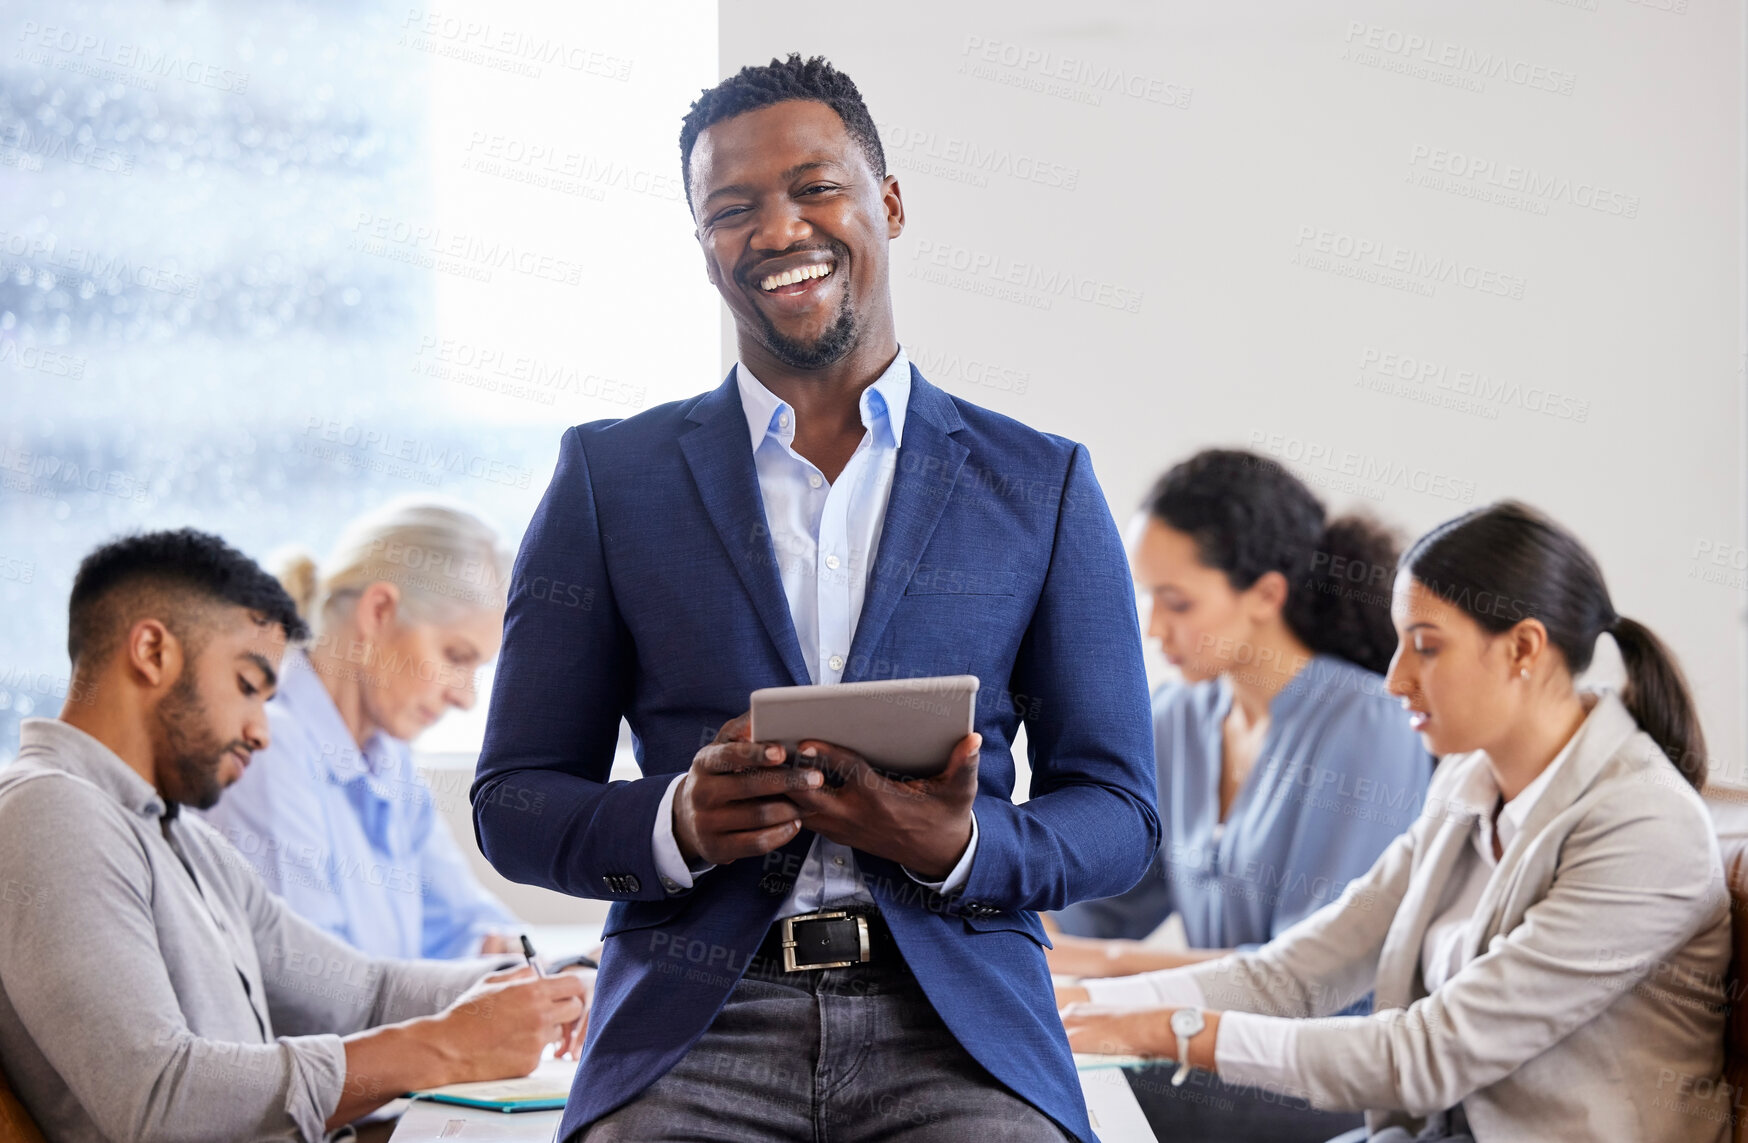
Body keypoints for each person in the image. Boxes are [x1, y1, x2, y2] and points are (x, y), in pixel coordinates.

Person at [470, 54, 1158, 1143]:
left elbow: (1119, 814)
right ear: (703, 249)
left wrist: (957, 844)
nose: (778, 230)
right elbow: (511, 799)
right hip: (697, 1025)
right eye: (731, 210)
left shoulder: (1040, 484)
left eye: (814, 188)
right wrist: (675, 823)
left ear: (885, 203)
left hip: (955, 1025)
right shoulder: (612, 479)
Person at [1058, 501, 1729, 1143]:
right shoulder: (1467, 789)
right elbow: (1290, 974)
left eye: (1426, 647)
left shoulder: (1644, 826)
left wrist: (1167, 1030)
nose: (1394, 678)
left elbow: (1428, 1052)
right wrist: (1084, 1004)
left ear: (1523, 648)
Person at [0, 528, 590, 1143]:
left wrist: (537, 993)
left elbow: (364, 992)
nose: (261, 730)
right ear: (151, 651)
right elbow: (159, 1100)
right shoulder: (51, 808)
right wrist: (440, 1049)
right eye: (248, 687)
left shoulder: (180, 839)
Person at [1046, 450, 1432, 1141]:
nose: (1154, 629)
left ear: (1265, 594)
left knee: (1058, 1085)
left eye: (1179, 601)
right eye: (1147, 597)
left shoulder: (1370, 724)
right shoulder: (1176, 720)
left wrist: (1098, 969)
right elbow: (1093, 918)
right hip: (1202, 1048)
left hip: (1316, 1071)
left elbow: (1315, 981)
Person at [203, 498, 522, 959]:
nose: (466, 697)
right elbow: (317, 992)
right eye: (456, 657)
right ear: (378, 612)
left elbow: (470, 926)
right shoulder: (267, 748)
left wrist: (546, 969)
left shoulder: (388, 758)